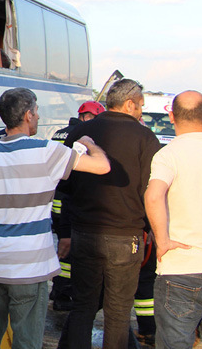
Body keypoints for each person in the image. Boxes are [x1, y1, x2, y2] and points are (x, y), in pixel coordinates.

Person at [0, 87, 110, 349]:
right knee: (27, 341)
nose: (39, 118)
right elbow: (102, 166)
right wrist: (89, 144)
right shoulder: (48, 151)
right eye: (37, 112)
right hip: (30, 268)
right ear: (28, 115)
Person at [62, 79, 162, 349]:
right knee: (118, 313)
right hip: (125, 236)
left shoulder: (80, 132)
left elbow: (65, 185)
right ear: (129, 104)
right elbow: (151, 190)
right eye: (140, 105)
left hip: (83, 232)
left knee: (82, 306)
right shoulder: (146, 139)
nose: (141, 111)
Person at [144, 90, 202, 348]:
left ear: (171, 116)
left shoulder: (168, 154)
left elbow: (154, 195)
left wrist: (163, 240)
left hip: (180, 269)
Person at [51, 100, 105, 312]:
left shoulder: (60, 133)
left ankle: (57, 289)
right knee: (69, 253)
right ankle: (63, 293)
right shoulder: (83, 137)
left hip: (56, 201)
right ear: (89, 117)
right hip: (68, 202)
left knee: (62, 249)